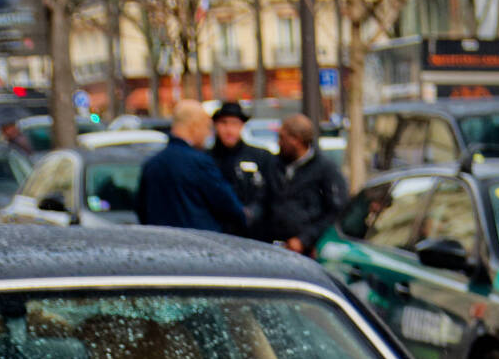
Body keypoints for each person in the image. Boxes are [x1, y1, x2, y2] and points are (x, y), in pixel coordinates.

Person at [135, 100, 247, 234]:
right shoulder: (200, 163)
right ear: (195, 126)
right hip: (199, 246)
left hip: (160, 245)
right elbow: (229, 207)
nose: (208, 134)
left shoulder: (152, 165)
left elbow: (141, 210)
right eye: (207, 127)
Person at [267, 113, 346, 255]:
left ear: (296, 140)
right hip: (274, 244)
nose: (278, 143)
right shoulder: (274, 164)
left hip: (305, 250)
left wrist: (305, 239)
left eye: (282, 138)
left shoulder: (325, 169)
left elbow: (335, 211)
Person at [205, 100, 274, 236]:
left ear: (242, 126)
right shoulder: (205, 159)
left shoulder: (261, 156)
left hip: (253, 234)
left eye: (234, 123)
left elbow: (270, 194)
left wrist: (254, 212)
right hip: (215, 233)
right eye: (224, 123)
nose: (229, 129)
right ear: (216, 125)